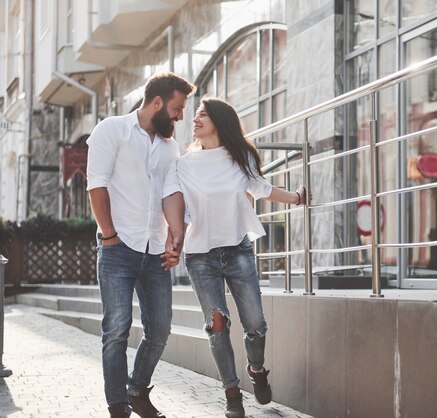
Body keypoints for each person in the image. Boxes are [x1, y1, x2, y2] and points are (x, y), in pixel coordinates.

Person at [169, 96, 306, 418]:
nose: (195, 119)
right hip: (200, 256)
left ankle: (256, 369)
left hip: (237, 248)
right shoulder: (183, 164)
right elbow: (177, 208)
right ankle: (232, 394)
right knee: (217, 326)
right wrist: (171, 243)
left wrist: (297, 198)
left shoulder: (240, 156)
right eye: (195, 115)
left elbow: (263, 189)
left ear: (220, 120)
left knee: (255, 324)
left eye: (203, 114)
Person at [86, 72, 196, 418]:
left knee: (160, 328)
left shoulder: (168, 147)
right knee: (116, 329)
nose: (181, 116)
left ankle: (137, 389)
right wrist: (109, 234)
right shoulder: (111, 130)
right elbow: (97, 185)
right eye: (177, 108)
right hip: (118, 246)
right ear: (158, 102)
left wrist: (175, 235)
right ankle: (117, 406)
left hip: (153, 252)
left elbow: (170, 192)